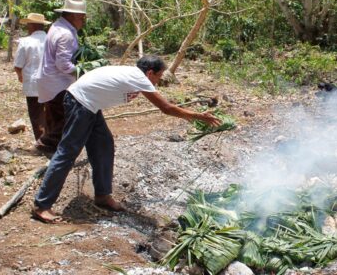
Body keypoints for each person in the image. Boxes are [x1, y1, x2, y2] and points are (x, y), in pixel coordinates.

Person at [32, 55, 221, 224]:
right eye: (158, 77)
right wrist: (198, 115)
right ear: (149, 73)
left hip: (90, 106)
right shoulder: (139, 78)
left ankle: (103, 195)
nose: (157, 82)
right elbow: (166, 108)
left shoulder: (133, 75)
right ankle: (42, 205)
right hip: (81, 103)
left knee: (104, 146)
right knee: (68, 153)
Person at [35, 0, 87, 154]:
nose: (83, 21)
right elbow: (63, 65)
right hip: (58, 83)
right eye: (81, 18)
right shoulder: (66, 34)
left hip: (49, 81)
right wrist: (82, 71)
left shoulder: (57, 27)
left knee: (54, 116)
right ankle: (45, 144)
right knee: (65, 117)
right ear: (72, 16)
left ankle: (53, 151)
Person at [13, 13, 51, 141]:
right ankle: (52, 140)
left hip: (33, 83)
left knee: (36, 114)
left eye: (28, 24)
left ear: (32, 25)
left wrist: (19, 75)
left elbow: (18, 65)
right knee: (50, 113)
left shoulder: (25, 42)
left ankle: (41, 142)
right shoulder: (51, 40)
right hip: (51, 83)